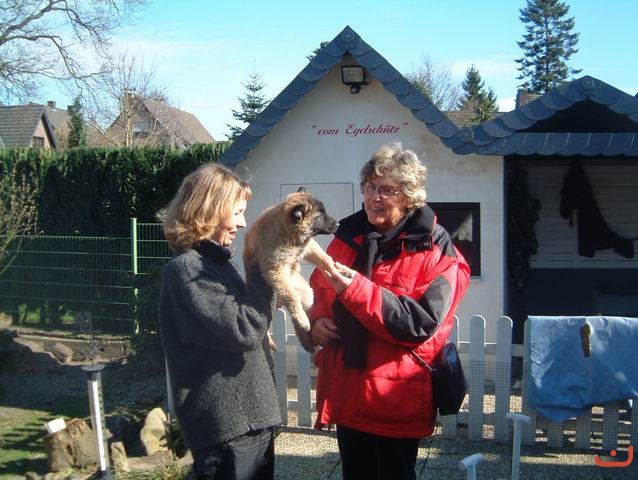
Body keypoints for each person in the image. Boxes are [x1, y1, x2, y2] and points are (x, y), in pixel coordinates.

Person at [309, 143, 471, 480]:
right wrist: (318, 319)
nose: (374, 197)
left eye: (387, 190)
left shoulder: (437, 247)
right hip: (349, 393)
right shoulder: (349, 235)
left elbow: (420, 323)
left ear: (409, 197)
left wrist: (355, 289)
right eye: (370, 187)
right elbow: (320, 287)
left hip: (394, 399)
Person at [157, 163, 281, 480]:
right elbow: (244, 330)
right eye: (236, 212)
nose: (242, 223)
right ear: (209, 211)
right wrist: (267, 270)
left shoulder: (215, 264)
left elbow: (250, 318)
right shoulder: (188, 269)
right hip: (228, 428)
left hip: (248, 422)